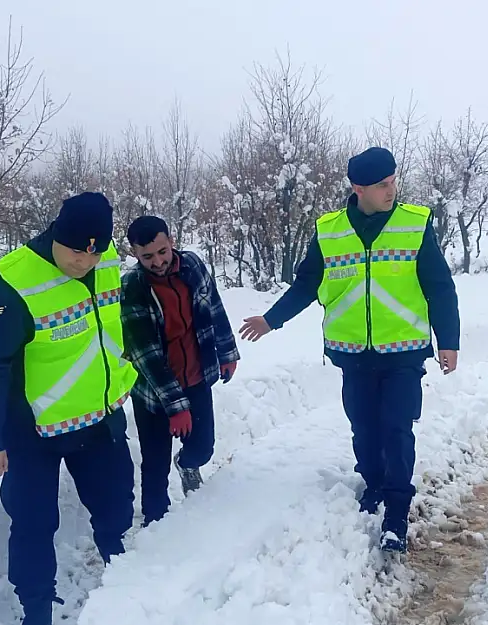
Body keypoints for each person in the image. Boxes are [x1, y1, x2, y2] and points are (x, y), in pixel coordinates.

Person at [238, 146, 461, 554]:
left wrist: (449, 340)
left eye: (393, 181)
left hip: (404, 353)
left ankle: (396, 511)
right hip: (353, 353)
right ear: (358, 188)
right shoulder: (330, 231)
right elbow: (307, 284)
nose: (391, 190)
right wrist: (271, 320)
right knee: (364, 427)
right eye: (382, 185)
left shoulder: (415, 225)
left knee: (396, 428)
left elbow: (439, 287)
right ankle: (374, 481)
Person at [0, 192, 138, 625]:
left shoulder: (106, 259)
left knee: (117, 507)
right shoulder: (13, 282)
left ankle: (125, 584)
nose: (86, 262)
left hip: (98, 419)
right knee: (34, 523)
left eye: (96, 252)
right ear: (55, 235)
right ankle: (37, 609)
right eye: (78, 252)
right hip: (32, 433)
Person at [120, 215, 241, 526]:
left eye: (162, 251)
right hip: (153, 391)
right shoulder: (133, 287)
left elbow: (213, 306)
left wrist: (227, 352)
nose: (157, 261)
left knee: (202, 446)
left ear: (171, 241)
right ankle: (155, 523)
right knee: (155, 463)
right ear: (135, 253)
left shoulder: (192, 266)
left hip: (196, 376)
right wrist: (175, 407)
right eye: (147, 256)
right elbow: (145, 353)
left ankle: (188, 464)